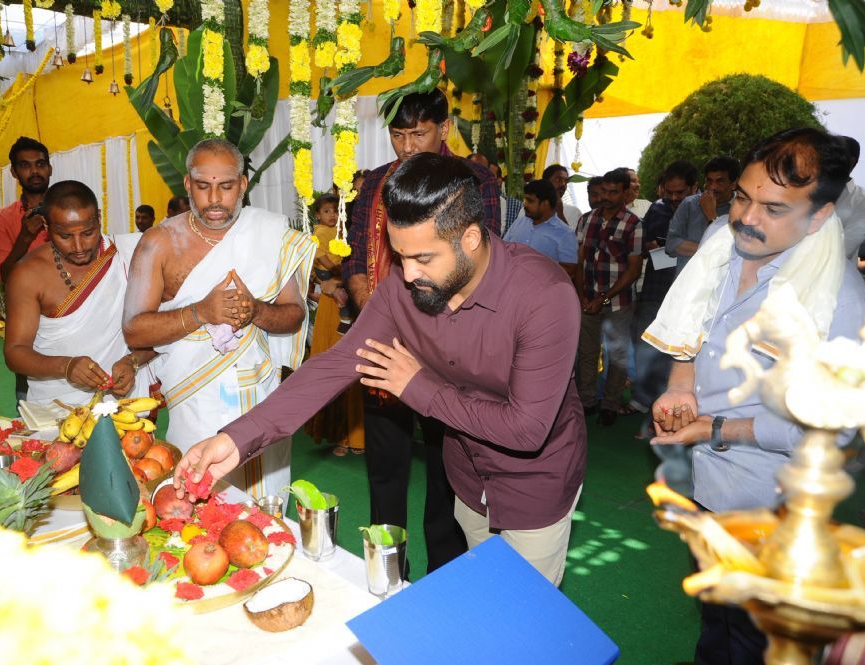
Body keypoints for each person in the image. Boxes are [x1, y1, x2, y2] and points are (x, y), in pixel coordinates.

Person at [174, 154, 586, 585]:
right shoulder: (405, 288)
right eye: (400, 256)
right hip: (467, 477)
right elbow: (335, 365)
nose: (407, 275)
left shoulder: (544, 296)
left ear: (469, 238)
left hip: (535, 485)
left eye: (423, 258)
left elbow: (526, 429)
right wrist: (236, 439)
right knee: (484, 589)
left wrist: (418, 387)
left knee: (524, 608)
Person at [644, 128, 865, 664]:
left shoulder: (838, 299)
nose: (746, 217)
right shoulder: (719, 243)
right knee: (716, 617)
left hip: (771, 499)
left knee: (756, 640)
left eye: (773, 208)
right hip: (707, 480)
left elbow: (833, 427)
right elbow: (693, 327)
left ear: (819, 215)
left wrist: (718, 427)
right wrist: (681, 388)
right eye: (742, 196)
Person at [341, 89, 501, 574]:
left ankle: (443, 582)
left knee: (447, 474)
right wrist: (374, 311)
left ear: (444, 128)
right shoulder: (374, 183)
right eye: (398, 135)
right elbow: (355, 258)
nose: (408, 147)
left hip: (446, 348)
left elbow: (482, 260)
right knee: (384, 470)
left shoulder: (473, 179)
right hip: (382, 345)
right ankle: (388, 575)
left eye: (419, 133)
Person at [122, 138, 315, 503]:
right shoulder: (158, 243)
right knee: (197, 499)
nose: (214, 199)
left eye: (226, 186)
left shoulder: (269, 234)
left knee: (265, 507)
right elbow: (134, 330)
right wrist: (201, 312)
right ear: (187, 184)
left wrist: (256, 311)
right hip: (195, 399)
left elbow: (294, 315)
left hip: (259, 392)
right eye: (202, 186)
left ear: (242, 184)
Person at [4, 181, 153, 406]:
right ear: (46, 226)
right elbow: (15, 352)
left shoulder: (131, 253)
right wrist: (66, 366)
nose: (79, 246)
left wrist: (133, 361)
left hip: (124, 403)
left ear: (99, 218)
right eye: (65, 236)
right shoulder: (28, 275)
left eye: (88, 233)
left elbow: (163, 329)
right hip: (55, 408)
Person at [574, 168, 643, 426]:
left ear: (626, 194)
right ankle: (587, 401)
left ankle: (610, 405)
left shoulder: (634, 224)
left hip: (618, 303)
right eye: (604, 191)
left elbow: (634, 271)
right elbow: (579, 260)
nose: (606, 197)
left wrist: (602, 299)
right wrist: (581, 295)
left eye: (614, 192)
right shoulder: (586, 220)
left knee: (617, 356)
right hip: (587, 299)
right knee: (587, 353)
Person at [631, 160, 698, 415]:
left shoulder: (706, 211)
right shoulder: (657, 209)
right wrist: (651, 245)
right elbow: (643, 242)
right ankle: (644, 400)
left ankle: (675, 405)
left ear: (694, 188)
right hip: (656, 289)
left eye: (680, 192)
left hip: (689, 295)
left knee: (680, 352)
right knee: (647, 347)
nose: (674, 198)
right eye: (669, 192)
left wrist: (678, 246)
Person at [304, 193, 364, 456]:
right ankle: (340, 436)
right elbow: (317, 266)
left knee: (354, 368)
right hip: (331, 305)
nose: (332, 215)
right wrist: (333, 278)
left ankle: (358, 437)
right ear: (318, 214)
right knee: (332, 367)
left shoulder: (346, 233)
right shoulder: (318, 234)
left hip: (353, 300)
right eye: (327, 211)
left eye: (335, 211)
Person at [0, 137, 53, 284]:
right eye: (25, 165)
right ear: (14, 172)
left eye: (40, 164)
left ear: (50, 169)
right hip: (34, 297)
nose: (34, 171)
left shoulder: (69, 208)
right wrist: (24, 238)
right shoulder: (0, 219)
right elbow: (5, 276)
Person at [665, 156, 740, 275]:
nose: (713, 187)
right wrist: (712, 250)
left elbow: (734, 251)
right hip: (686, 280)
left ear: (733, 184)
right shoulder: (689, 204)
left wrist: (712, 217)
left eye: (720, 181)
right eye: (709, 181)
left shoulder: (743, 210)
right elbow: (671, 244)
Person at [504, 179, 577, 278]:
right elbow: (503, 249)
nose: (524, 204)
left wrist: (537, 270)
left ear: (545, 204)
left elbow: (570, 271)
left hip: (541, 286)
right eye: (525, 199)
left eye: (530, 201)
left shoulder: (565, 234)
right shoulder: (519, 223)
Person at [835, 136, 865, 261]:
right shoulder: (804, 189)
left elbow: (844, 250)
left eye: (834, 155)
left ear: (852, 162)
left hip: (834, 271)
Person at [543, 163, 582, 230]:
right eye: (558, 180)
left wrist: (560, 214)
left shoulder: (574, 212)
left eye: (566, 181)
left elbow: (571, 236)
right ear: (545, 182)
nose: (563, 185)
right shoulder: (529, 208)